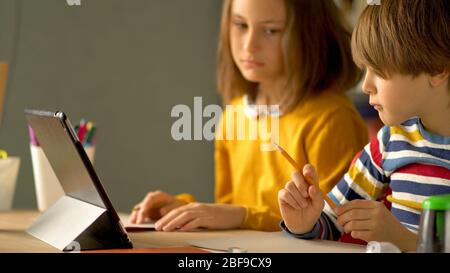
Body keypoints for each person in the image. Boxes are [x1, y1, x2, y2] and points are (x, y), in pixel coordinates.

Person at [130, 0, 368, 232]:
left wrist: (241, 215)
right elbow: (232, 213)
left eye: (270, 30)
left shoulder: (332, 118)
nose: (249, 45)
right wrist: (184, 209)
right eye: (241, 25)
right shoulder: (233, 115)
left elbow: (334, 225)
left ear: (310, 33)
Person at [278, 0, 450, 251]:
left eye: (378, 69)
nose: (365, 85)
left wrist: (402, 239)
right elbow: (334, 220)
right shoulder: (389, 142)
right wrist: (305, 222)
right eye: (365, 69)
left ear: (436, 70)